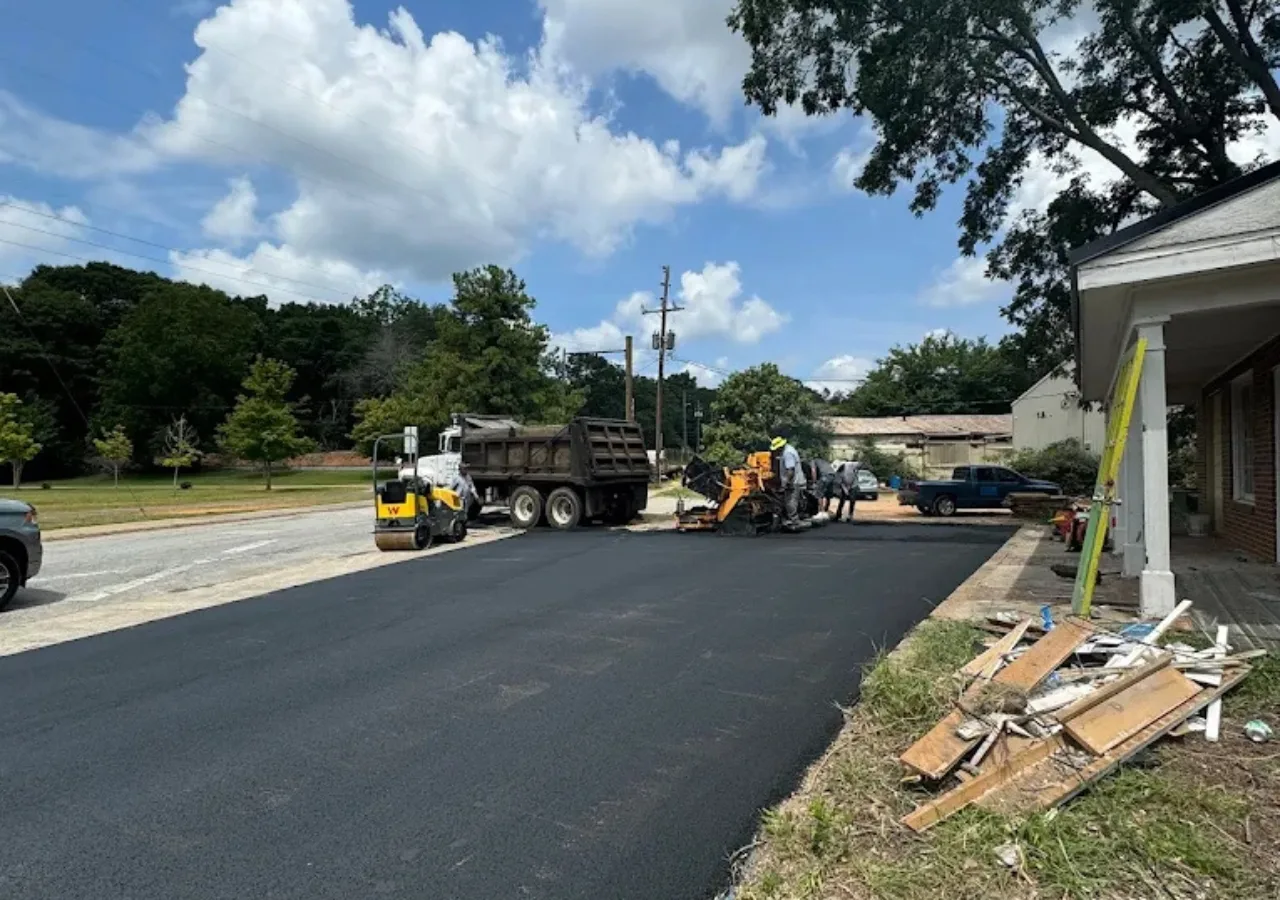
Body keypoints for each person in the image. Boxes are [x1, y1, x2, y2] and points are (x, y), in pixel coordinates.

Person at [771, 436, 805, 527]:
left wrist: (785, 484)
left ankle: (795, 521)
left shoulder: (788, 453)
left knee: (790, 502)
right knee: (789, 501)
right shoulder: (788, 449)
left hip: (792, 481)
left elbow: (790, 470)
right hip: (793, 480)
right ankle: (789, 519)